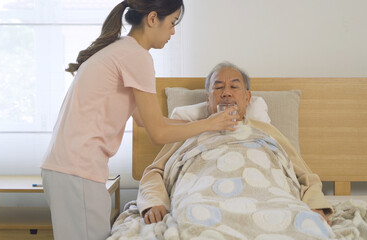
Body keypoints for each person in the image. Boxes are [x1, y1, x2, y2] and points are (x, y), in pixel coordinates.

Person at [40, 1, 240, 239]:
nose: (173, 32)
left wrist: (204, 121)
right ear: (153, 19)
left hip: (65, 167)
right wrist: (210, 124)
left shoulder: (121, 50)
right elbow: (158, 134)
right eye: (172, 23)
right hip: (77, 169)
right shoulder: (137, 57)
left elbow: (146, 120)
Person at [137, 62, 333, 230]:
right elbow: (154, 171)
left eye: (234, 87)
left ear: (247, 98)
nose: (226, 93)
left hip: (268, 197)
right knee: (192, 216)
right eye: (219, 87)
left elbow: (305, 175)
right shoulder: (189, 131)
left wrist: (314, 205)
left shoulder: (267, 131)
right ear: (208, 98)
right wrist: (154, 202)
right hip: (200, 198)